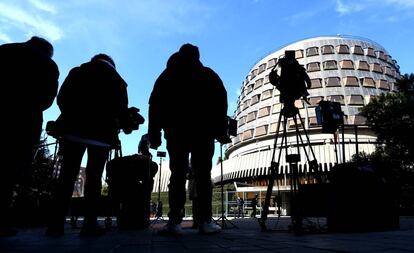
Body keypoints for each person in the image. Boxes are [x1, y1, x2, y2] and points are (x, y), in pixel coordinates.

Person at [46, 54, 134, 237]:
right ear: (112, 64)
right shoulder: (117, 80)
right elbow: (121, 109)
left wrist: (73, 116)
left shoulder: (77, 72)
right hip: (101, 135)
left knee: (66, 178)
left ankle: (55, 225)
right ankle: (90, 225)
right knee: (94, 179)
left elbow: (62, 99)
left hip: (73, 131)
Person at [148, 43, 228, 235]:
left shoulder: (167, 75)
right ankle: (205, 221)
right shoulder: (209, 75)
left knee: (177, 175)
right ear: (198, 56)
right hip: (203, 133)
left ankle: (174, 222)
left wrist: (155, 133)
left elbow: (155, 104)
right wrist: (220, 131)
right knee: (203, 177)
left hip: (177, 132)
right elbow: (221, 103)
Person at [0, 36, 59, 236]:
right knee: (8, 172)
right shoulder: (48, 65)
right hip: (23, 123)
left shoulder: (4, 51)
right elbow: (48, 99)